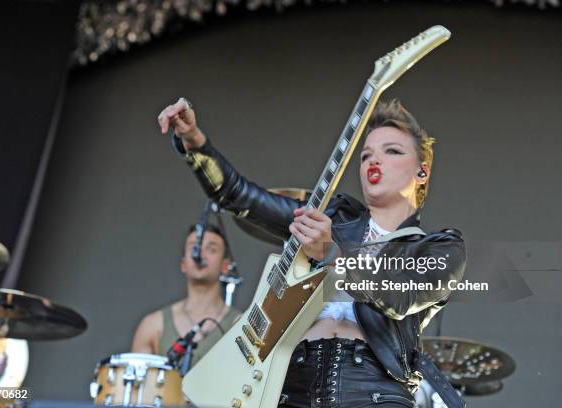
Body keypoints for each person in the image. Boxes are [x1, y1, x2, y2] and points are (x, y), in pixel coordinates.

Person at [157, 98, 466, 407]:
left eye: (392, 151)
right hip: (293, 390)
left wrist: (332, 254)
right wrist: (194, 140)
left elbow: (399, 297)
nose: (374, 160)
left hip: (374, 394)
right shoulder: (329, 221)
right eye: (366, 155)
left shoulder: (441, 247)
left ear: (421, 173)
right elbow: (240, 197)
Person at [132, 224, 241, 368]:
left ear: (225, 266)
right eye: (194, 248)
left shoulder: (239, 324)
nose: (200, 254)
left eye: (211, 249)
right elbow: (136, 387)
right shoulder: (153, 324)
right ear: (183, 264)